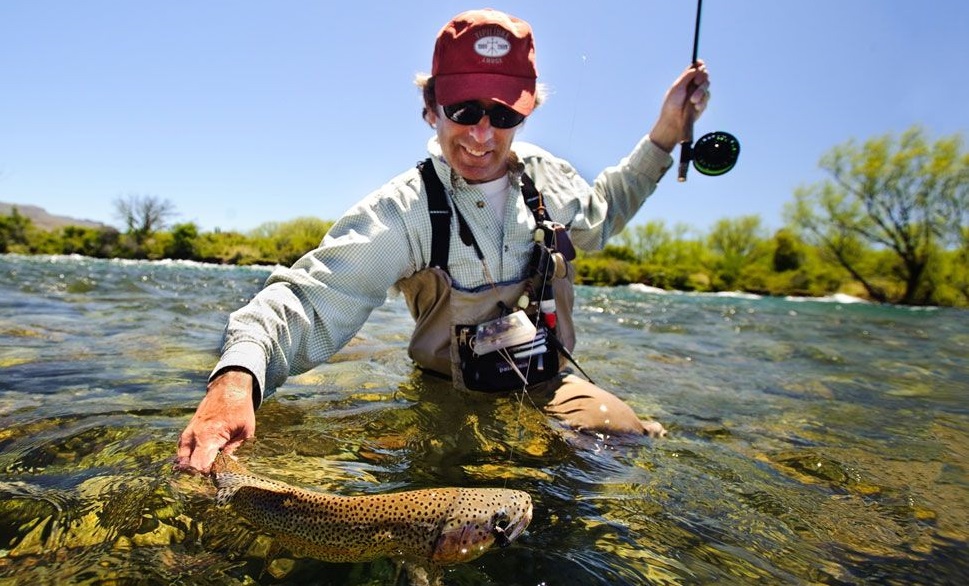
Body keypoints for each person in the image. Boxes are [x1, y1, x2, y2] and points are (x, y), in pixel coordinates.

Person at [176, 8, 710, 474]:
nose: (482, 135)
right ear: (431, 107)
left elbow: (607, 211)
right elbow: (310, 298)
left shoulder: (550, 179)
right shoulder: (404, 210)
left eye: (503, 115)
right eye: (464, 110)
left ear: (527, 113)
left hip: (550, 382)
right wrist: (236, 378)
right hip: (445, 394)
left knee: (619, 437)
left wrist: (665, 133)